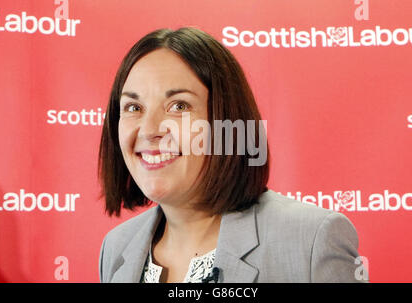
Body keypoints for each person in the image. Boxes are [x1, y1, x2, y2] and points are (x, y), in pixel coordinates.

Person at [98, 27, 366, 283]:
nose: (149, 130)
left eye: (178, 105)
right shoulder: (116, 248)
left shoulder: (311, 240)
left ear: (225, 121)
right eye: (133, 107)